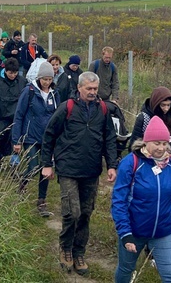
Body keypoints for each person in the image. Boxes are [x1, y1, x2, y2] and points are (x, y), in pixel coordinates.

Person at [41, 71, 117, 276]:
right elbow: (49, 135)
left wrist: (112, 165)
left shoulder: (102, 110)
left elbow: (109, 138)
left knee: (85, 213)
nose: (93, 92)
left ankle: (79, 252)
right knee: (71, 212)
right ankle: (65, 249)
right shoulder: (67, 107)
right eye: (89, 89)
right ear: (80, 88)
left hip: (91, 170)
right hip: (68, 169)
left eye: (95, 89)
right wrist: (46, 164)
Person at [112, 116, 171, 283]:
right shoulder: (131, 162)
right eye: (157, 143)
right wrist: (125, 233)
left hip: (163, 231)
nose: (162, 148)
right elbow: (119, 201)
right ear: (146, 142)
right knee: (126, 269)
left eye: (164, 143)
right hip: (134, 231)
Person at [12, 62, 60, 216]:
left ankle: (41, 200)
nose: (47, 82)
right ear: (39, 78)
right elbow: (19, 115)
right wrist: (16, 140)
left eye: (49, 79)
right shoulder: (29, 92)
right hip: (30, 136)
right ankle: (22, 184)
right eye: (44, 79)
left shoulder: (55, 94)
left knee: (45, 169)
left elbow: (57, 117)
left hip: (47, 139)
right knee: (33, 166)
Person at [129, 86, 171, 170]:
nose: (166, 109)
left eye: (169, 105)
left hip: (166, 163)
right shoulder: (143, 118)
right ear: (156, 103)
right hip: (146, 163)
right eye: (163, 105)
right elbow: (134, 145)